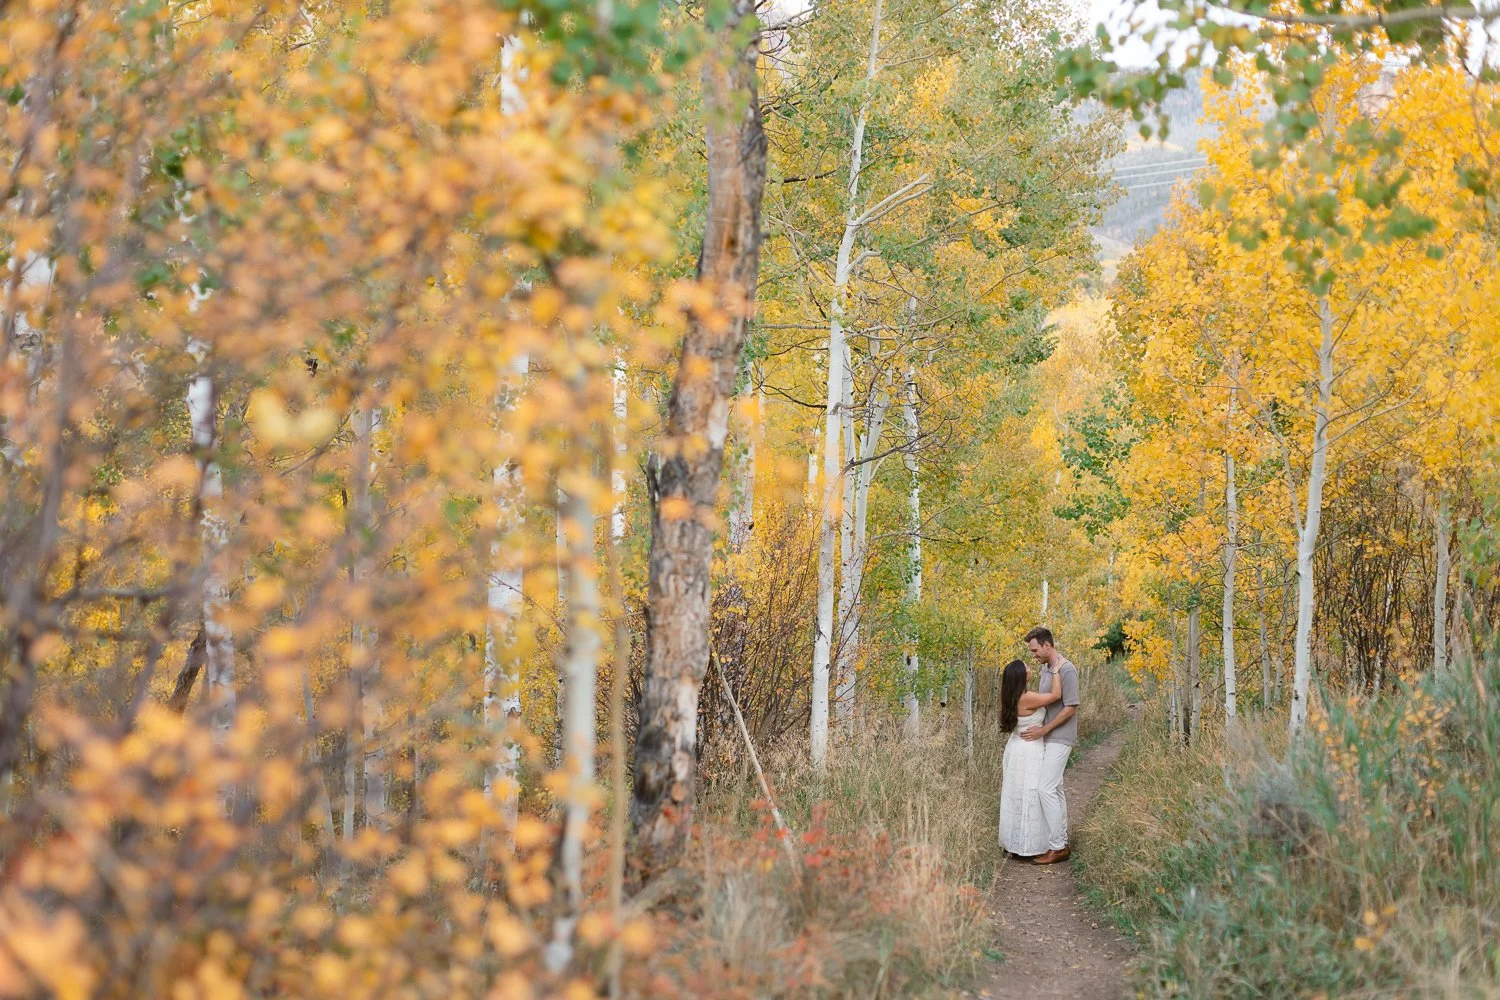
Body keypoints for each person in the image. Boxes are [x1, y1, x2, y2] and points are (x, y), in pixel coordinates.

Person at [1019, 626, 1080, 865]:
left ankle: (1057, 847)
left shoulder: (1067, 669)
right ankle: (1061, 841)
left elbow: (1071, 707)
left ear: (1047, 645)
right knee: (1055, 789)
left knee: (1045, 788)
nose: (1033, 655)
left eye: (1035, 650)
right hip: (1048, 738)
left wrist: (1044, 730)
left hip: (1060, 737)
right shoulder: (1046, 669)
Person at [997, 657, 1063, 858]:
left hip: (1016, 747)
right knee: (1032, 794)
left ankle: (1015, 842)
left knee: (1016, 795)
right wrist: (1056, 669)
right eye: (1026, 667)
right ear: (1021, 675)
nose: (1029, 667)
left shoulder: (1010, 696)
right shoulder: (1028, 698)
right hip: (1030, 750)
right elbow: (1056, 695)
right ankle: (1030, 844)